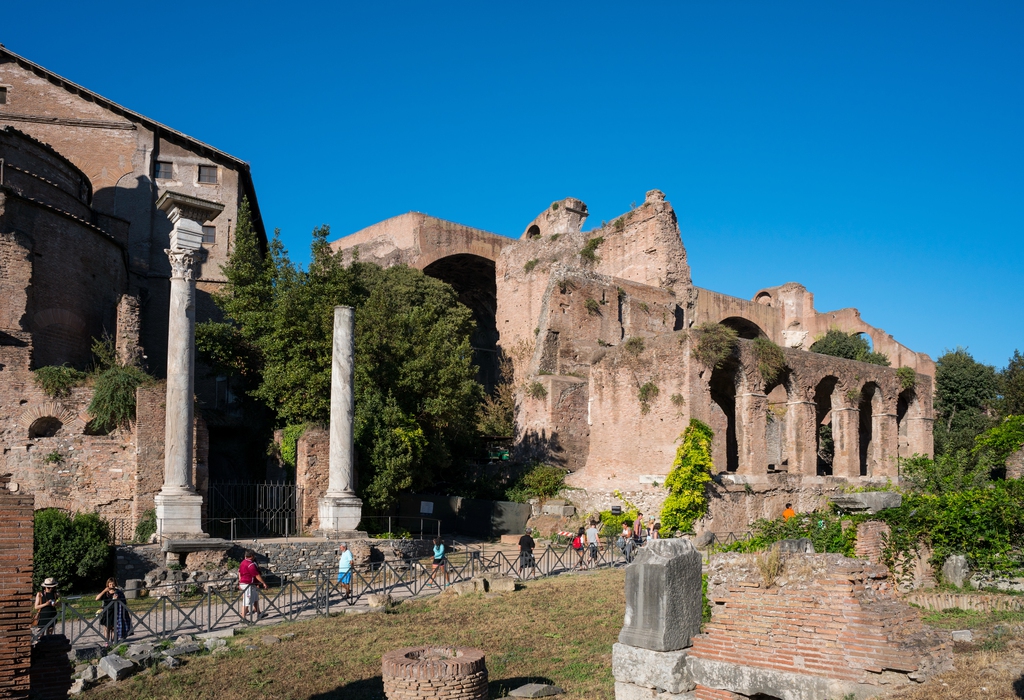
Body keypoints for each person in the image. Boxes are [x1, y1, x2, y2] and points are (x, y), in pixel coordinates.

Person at [95, 578, 131, 646]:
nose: (111, 586)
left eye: (113, 584)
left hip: (116, 611)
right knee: (107, 627)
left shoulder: (118, 592)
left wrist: (117, 599)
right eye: (110, 584)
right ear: (108, 584)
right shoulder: (106, 592)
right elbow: (97, 598)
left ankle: (114, 641)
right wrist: (104, 590)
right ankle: (107, 641)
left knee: (114, 627)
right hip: (107, 611)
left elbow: (124, 602)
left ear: (115, 584)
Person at [238, 550, 267, 621]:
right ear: (252, 556)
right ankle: (243, 618)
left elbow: (239, 573)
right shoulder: (251, 564)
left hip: (249, 584)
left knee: (255, 598)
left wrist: (240, 582)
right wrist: (263, 582)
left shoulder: (243, 562)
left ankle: (259, 613)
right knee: (246, 601)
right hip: (248, 584)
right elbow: (257, 575)